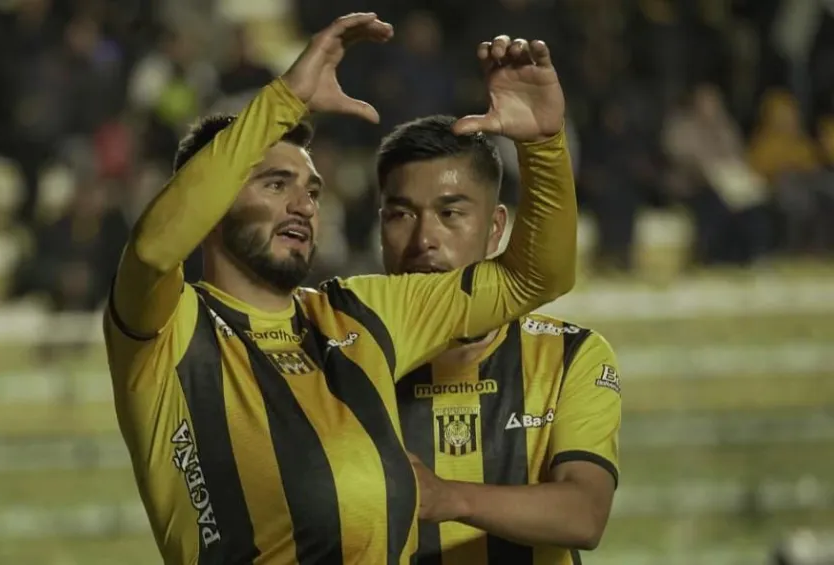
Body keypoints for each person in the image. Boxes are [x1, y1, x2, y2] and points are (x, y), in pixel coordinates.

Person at [104, 13, 577, 565]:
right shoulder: (167, 328)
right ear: (211, 207)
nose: (302, 204)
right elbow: (152, 250)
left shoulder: (357, 312)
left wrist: (543, 145)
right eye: (275, 183)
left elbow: (536, 276)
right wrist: (285, 98)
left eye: (311, 190)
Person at [378, 113, 620, 564]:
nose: (424, 238)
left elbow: (586, 515)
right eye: (401, 214)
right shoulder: (346, 357)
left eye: (450, 213)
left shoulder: (569, 355)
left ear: (495, 228)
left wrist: (448, 497)